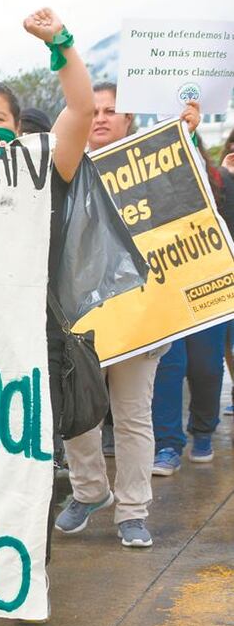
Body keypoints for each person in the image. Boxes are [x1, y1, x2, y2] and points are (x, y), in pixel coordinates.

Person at [0, 7, 94, 626]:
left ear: (20, 127)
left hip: (35, 343)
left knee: (31, 468)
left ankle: (19, 577)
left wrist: (60, 44)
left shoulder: (47, 168)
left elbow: (83, 110)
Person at [54, 83, 202, 548]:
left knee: (134, 416)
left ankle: (133, 511)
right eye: (93, 110)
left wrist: (188, 139)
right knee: (81, 414)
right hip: (86, 316)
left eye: (111, 111)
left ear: (129, 120)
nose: (100, 117)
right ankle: (89, 492)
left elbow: (189, 200)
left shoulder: (153, 167)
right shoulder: (66, 166)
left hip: (141, 314)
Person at [151, 129, 229, 473]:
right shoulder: (146, 191)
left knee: (207, 366)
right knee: (168, 367)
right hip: (164, 291)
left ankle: (202, 432)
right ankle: (167, 444)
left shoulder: (222, 186)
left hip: (209, 291)